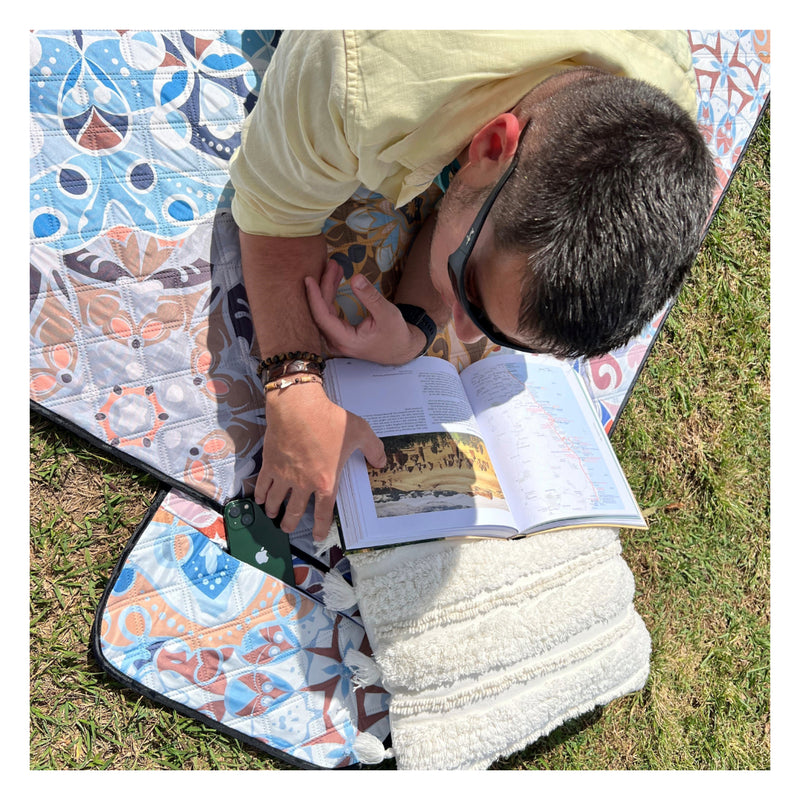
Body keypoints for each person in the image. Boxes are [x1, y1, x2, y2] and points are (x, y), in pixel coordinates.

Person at [229, 30, 715, 542]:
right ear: (490, 147)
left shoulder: (668, 120)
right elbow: (273, 217)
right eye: (471, 290)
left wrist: (417, 324)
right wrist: (293, 387)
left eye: (495, 329)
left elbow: (472, 212)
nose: (459, 329)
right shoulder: (355, 80)